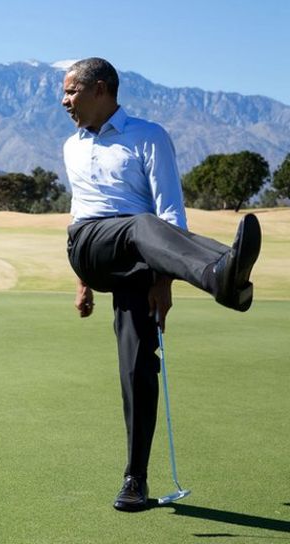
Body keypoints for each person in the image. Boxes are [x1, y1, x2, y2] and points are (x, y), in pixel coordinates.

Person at [61, 57, 262, 512]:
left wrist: (163, 280)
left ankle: (135, 479)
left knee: (137, 362)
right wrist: (82, 283)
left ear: (101, 89)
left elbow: (171, 212)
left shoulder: (148, 136)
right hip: (89, 244)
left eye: (71, 91)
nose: (64, 100)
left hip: (141, 255)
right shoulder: (71, 146)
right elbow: (79, 210)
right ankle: (218, 274)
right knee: (141, 224)